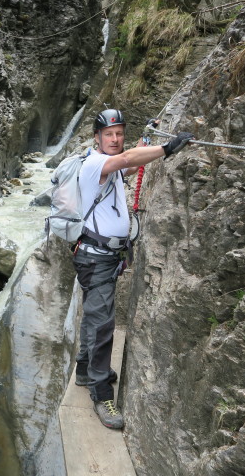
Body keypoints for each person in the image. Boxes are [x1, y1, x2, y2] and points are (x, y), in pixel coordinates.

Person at [72, 108, 193, 429]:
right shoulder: (95, 163)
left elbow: (129, 157)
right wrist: (167, 148)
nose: (115, 139)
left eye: (119, 134)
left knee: (94, 314)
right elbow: (126, 160)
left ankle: (85, 369)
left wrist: (148, 135)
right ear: (97, 138)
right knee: (101, 323)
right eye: (109, 134)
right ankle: (100, 390)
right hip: (95, 257)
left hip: (100, 256)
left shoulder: (108, 164)